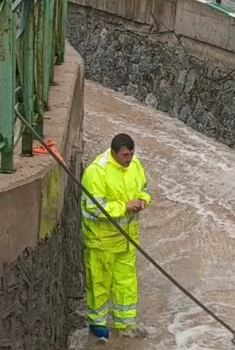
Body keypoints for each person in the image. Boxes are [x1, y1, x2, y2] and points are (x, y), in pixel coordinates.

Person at [81, 133, 151, 342]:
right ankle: (98, 323)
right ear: (114, 153)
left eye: (131, 154)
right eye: (125, 155)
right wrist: (124, 207)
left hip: (127, 240)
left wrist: (142, 200)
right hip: (102, 241)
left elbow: (144, 189)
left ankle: (125, 323)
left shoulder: (135, 165)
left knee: (126, 283)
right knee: (99, 283)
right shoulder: (97, 172)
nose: (128, 159)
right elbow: (92, 207)